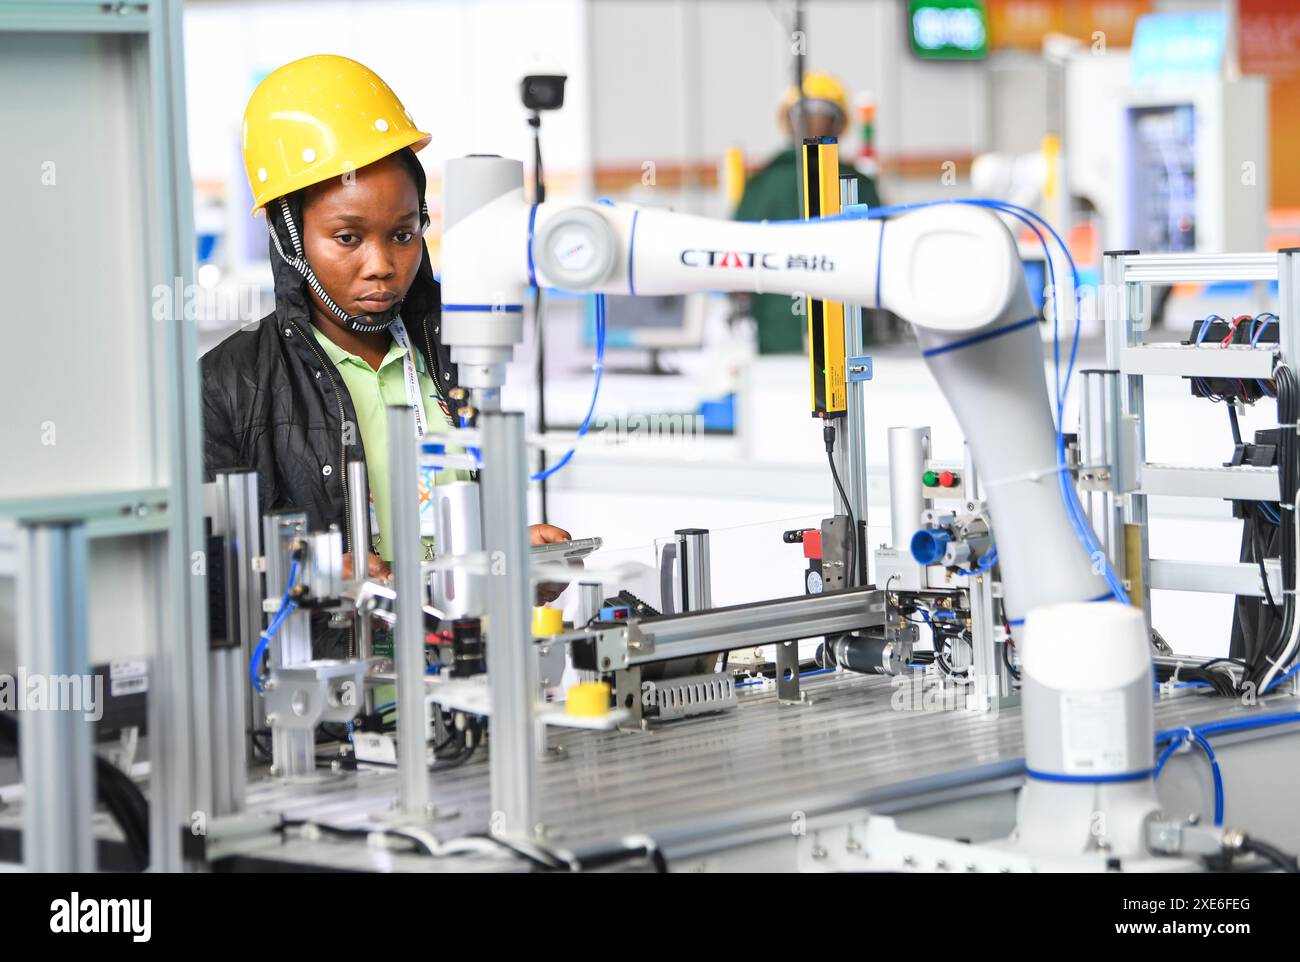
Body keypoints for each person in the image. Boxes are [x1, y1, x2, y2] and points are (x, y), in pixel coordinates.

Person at [202, 55, 568, 652]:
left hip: (464, 700)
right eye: (348, 237)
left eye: (403, 233)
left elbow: (469, 537)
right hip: (324, 726)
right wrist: (311, 578)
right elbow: (202, 588)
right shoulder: (226, 387)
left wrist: (512, 560)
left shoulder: (457, 351)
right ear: (288, 236)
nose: (383, 264)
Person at [733, 72, 882, 354]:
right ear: (839, 125)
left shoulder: (761, 184)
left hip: (780, 338)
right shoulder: (859, 183)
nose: (814, 121)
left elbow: (735, 261)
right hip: (847, 339)